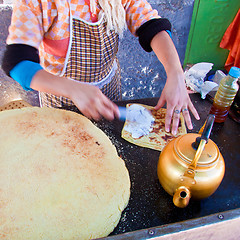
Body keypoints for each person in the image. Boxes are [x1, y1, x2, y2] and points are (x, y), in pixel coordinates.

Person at [1, 0, 199, 135]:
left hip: (108, 87)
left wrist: (175, 73)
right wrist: (74, 89)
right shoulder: (40, 3)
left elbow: (151, 25)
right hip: (63, 98)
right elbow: (17, 63)